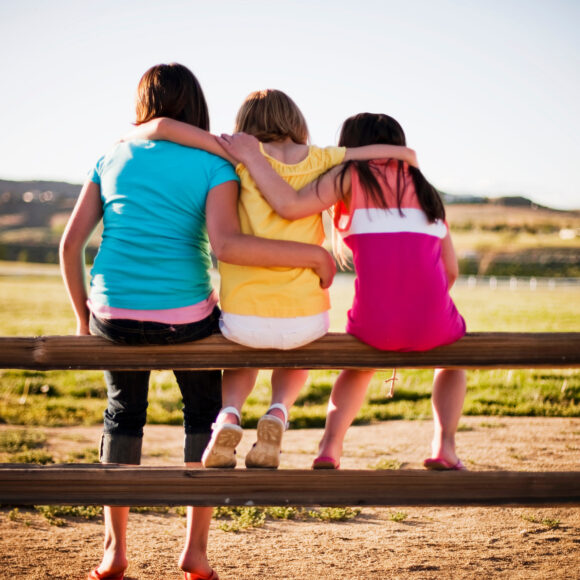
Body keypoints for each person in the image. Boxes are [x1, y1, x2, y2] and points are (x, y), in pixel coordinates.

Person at [60, 65, 336, 580]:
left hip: (112, 315)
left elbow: (70, 244)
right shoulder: (215, 163)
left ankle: (113, 552)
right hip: (186, 318)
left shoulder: (112, 155)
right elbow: (227, 244)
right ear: (198, 106)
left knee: (123, 414)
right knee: (204, 413)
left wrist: (83, 319)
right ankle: (196, 552)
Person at [126, 90, 417, 470]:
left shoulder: (238, 154)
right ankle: (278, 412)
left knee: (243, 353)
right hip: (306, 317)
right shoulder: (321, 158)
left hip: (244, 315)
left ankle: (229, 414)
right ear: (296, 121)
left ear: (246, 125)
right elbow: (375, 154)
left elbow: (163, 127)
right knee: (295, 350)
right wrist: (406, 156)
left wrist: (131, 136)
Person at [217, 112, 467, 472]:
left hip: (375, 323)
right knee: (452, 360)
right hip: (433, 321)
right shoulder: (427, 191)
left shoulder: (351, 175)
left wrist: (254, 158)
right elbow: (451, 271)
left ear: (350, 146)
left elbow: (288, 206)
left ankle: (329, 447)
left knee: (358, 365)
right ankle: (444, 446)